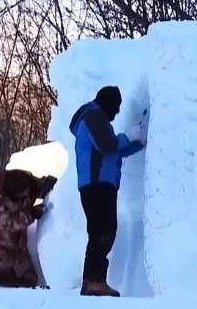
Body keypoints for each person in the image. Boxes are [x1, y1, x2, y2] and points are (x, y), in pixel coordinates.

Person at [68, 85, 147, 297]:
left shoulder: (97, 119)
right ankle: (94, 281)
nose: (117, 112)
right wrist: (129, 136)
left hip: (97, 184)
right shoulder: (93, 115)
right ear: (108, 102)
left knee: (99, 231)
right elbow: (107, 145)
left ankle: (91, 281)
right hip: (98, 184)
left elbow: (114, 151)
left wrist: (138, 142)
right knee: (103, 231)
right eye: (116, 107)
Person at [0, 168, 51, 290]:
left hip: (15, 247)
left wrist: (43, 185)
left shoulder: (18, 180)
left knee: (30, 278)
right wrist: (31, 214)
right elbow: (5, 223)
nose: (27, 197)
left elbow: (30, 186)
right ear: (13, 195)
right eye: (22, 196)